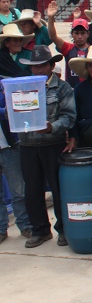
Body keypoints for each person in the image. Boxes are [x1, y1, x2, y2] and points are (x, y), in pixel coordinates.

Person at [18, 46, 77, 248]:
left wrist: (52, 127)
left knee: (59, 189)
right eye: (34, 67)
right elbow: (15, 112)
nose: (37, 70)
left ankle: (64, 229)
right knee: (32, 190)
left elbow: (69, 117)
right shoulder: (22, 88)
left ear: (52, 66)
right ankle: (40, 230)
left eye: (42, 66)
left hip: (53, 144)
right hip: (27, 145)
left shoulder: (62, 88)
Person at [0, 80, 32, 244]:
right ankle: (1, 229)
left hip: (9, 148)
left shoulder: (5, 87)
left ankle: (25, 225)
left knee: (19, 191)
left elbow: (13, 111)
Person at [46, 1, 90, 87]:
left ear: (88, 34)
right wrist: (51, 18)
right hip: (71, 91)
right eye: (76, 33)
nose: (80, 36)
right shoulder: (68, 48)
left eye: (83, 33)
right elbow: (53, 37)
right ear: (72, 34)